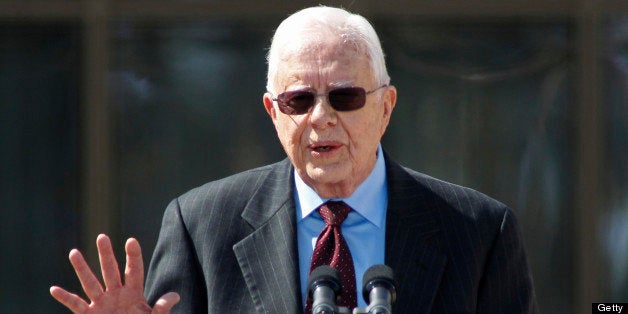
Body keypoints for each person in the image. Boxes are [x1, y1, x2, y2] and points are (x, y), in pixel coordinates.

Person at [50, 6, 538, 313]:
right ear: (272, 112)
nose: (321, 118)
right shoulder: (201, 227)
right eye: (299, 101)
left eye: (345, 97)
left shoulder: (477, 231)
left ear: (386, 106)